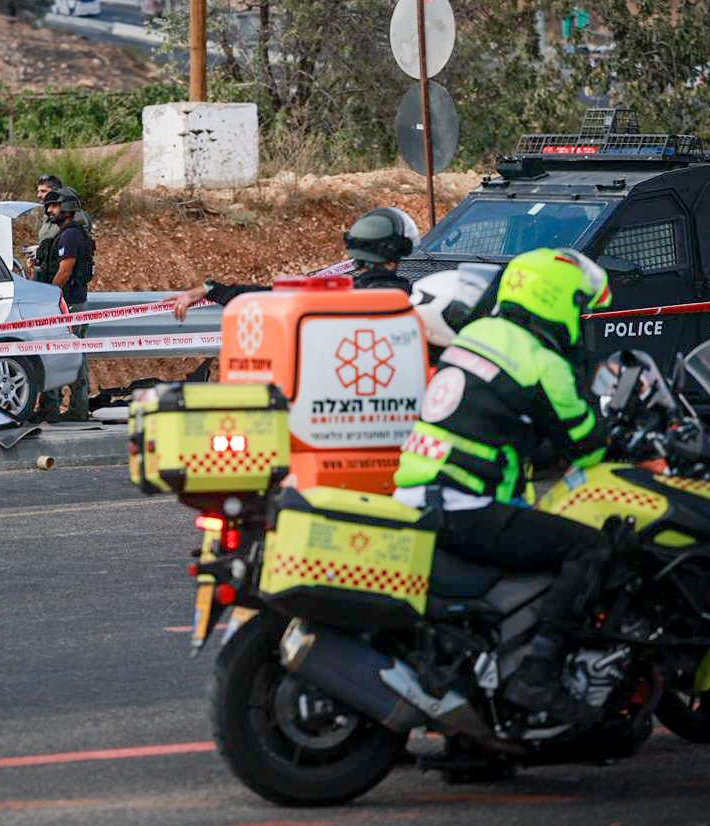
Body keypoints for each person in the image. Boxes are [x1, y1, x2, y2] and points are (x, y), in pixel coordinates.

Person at [392, 247, 612, 722]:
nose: (582, 317)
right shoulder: (542, 362)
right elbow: (588, 448)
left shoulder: (478, 334)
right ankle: (538, 675)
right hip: (464, 504)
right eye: (580, 305)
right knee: (589, 548)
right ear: (555, 300)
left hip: (416, 494)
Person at [170, 207, 419, 320]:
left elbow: (267, 294)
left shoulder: (333, 294)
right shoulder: (418, 299)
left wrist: (212, 290)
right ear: (401, 249)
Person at [38, 186, 93, 423]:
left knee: (60, 354)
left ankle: (57, 407)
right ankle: (75, 407)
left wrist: (48, 297)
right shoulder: (71, 233)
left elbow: (65, 270)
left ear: (67, 208)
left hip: (67, 304)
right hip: (71, 302)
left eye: (54, 205)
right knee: (73, 354)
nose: (49, 210)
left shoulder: (70, 235)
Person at [30, 173, 92, 282]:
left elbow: (65, 269)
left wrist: (53, 293)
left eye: (43, 191)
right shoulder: (50, 217)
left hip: (65, 288)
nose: (39, 195)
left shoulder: (71, 227)